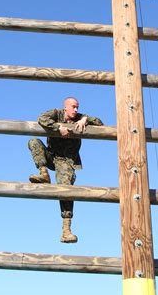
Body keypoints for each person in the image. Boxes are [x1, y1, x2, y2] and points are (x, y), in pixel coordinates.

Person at [28, 96, 103, 243]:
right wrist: (59, 127)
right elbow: (41, 117)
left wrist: (85, 120)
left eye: (77, 107)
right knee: (34, 142)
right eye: (73, 107)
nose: (76, 110)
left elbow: (100, 122)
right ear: (65, 108)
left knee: (66, 190)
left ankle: (66, 230)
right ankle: (44, 173)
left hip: (66, 161)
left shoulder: (80, 117)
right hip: (52, 156)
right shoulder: (56, 114)